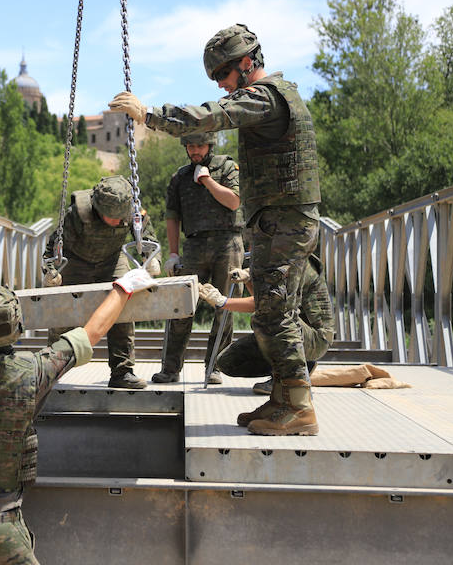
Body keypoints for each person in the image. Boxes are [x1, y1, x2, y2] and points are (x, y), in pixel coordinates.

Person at [109, 23, 322, 436]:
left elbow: (214, 115)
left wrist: (150, 114)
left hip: (285, 224)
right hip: (278, 222)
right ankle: (283, 398)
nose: (223, 86)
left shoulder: (265, 97)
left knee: (275, 313)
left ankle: (299, 406)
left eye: (224, 76)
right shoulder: (274, 97)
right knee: (271, 311)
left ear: (246, 63)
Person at [0, 230, 158, 564]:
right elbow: (91, 333)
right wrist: (123, 288)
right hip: (2, 526)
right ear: (15, 325)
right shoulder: (32, 371)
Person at [41, 175, 162, 389]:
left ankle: (122, 371)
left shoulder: (134, 212)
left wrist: (154, 260)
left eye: (119, 217)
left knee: (123, 308)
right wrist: (50, 271)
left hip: (112, 260)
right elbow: (53, 248)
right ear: (97, 208)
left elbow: (149, 239)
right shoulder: (76, 215)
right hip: (76, 261)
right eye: (111, 217)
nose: (117, 222)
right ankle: (49, 371)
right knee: (62, 313)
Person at [153, 131, 244, 385]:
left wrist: (207, 181)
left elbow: (234, 202)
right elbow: (172, 216)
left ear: (209, 145)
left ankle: (215, 366)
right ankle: (171, 369)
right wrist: (172, 252)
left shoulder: (227, 168)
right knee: (181, 305)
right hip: (194, 244)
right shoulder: (180, 177)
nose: (195, 151)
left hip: (227, 242)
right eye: (190, 146)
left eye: (199, 146)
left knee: (224, 307)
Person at [200, 255, 334, 415]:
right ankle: (289, 368)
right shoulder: (277, 260)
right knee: (227, 361)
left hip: (315, 338)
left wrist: (223, 302)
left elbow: (269, 304)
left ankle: (287, 376)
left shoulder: (297, 263)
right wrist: (248, 279)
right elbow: (264, 299)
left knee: (268, 318)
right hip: (294, 331)